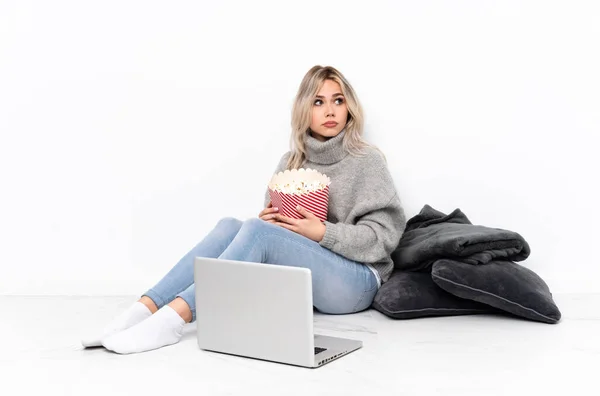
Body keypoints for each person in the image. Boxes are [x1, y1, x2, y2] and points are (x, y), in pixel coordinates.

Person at [81, 65, 407, 354]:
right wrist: (274, 222)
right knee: (229, 226)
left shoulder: (367, 161)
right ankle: (142, 310)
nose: (330, 110)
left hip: (359, 281)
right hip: (307, 282)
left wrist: (322, 232)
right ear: (304, 109)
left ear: (349, 106)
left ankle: (174, 318)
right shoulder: (291, 163)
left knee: (255, 230)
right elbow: (274, 241)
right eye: (318, 102)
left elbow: (385, 237)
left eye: (338, 100)